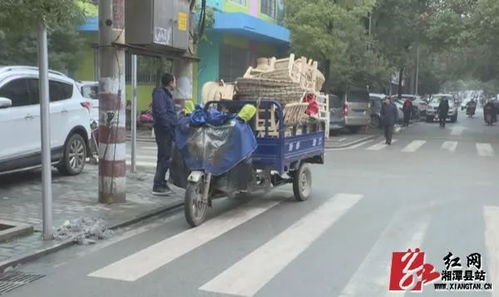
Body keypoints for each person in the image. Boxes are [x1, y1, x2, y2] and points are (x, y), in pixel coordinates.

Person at [151, 73, 178, 196]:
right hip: (163, 131)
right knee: (164, 157)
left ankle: (162, 182)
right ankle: (157, 185)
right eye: (175, 81)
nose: (175, 84)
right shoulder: (160, 94)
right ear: (170, 82)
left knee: (166, 157)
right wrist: (168, 127)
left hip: (169, 130)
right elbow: (161, 113)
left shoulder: (167, 95)